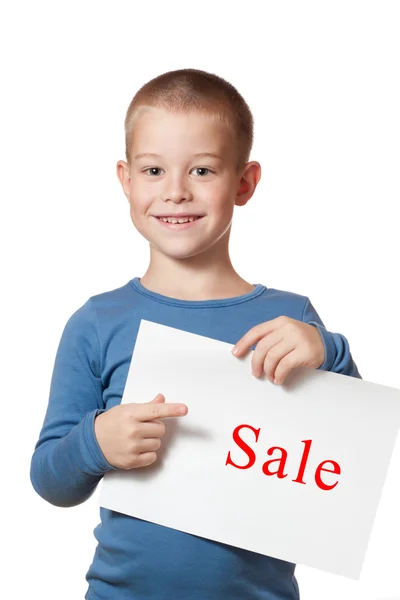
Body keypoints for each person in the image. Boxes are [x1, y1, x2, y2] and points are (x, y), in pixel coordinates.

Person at [30, 68, 361, 600]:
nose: (176, 192)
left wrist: (330, 352)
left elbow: (351, 458)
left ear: (245, 183)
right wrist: (95, 443)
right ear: (126, 181)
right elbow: (49, 478)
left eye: (203, 170)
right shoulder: (96, 323)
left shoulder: (290, 319)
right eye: (154, 170)